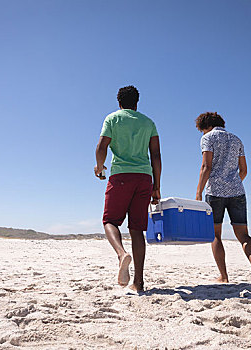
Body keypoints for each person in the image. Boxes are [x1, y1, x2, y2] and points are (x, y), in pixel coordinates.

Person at [94, 85, 161, 293]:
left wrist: (99, 166)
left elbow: (102, 146)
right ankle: (139, 283)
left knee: (110, 221)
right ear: (137, 103)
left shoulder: (112, 119)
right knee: (137, 229)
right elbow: (156, 155)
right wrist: (156, 186)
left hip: (121, 175)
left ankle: (122, 254)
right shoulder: (149, 122)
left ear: (119, 102)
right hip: (144, 178)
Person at [195, 112, 251, 291]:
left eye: (202, 130)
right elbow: (244, 170)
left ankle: (224, 276)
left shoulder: (208, 138)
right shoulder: (236, 139)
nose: (202, 133)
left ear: (206, 126)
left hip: (215, 192)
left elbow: (206, 166)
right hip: (237, 192)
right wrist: (233, 184)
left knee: (215, 235)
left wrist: (198, 192)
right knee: (243, 235)